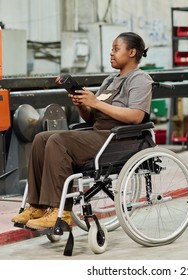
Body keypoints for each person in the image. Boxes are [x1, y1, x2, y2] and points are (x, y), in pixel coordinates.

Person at [11, 32, 153, 229]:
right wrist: (82, 105)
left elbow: (136, 116)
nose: (111, 53)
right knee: (42, 138)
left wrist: (96, 102)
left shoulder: (140, 79)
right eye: (111, 49)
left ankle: (61, 211)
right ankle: (37, 206)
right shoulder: (109, 81)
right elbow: (91, 118)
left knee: (58, 141)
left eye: (116, 49)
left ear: (131, 52)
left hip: (120, 139)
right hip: (98, 134)